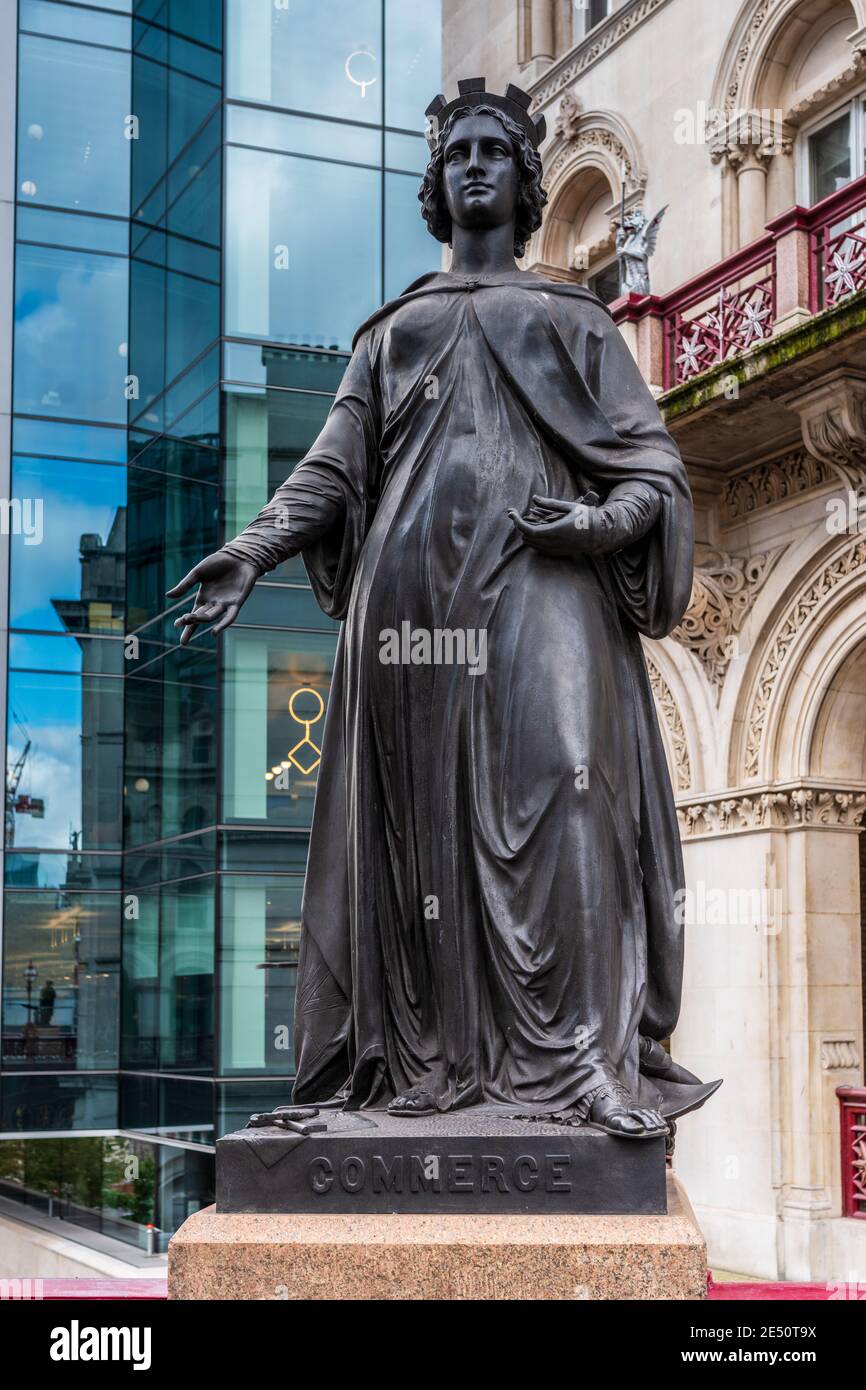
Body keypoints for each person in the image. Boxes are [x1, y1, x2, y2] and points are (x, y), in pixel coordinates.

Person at [169, 80, 702, 1138]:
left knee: (567, 793)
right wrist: (250, 549)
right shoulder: (391, 329)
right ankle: (424, 1072)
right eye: (454, 150)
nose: (471, 166)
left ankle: (582, 1065)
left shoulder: (572, 319)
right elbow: (328, 472)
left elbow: (653, 472)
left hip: (545, 586)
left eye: (493, 152)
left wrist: (593, 531)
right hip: (406, 604)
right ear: (433, 180)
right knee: (418, 839)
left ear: (523, 179)